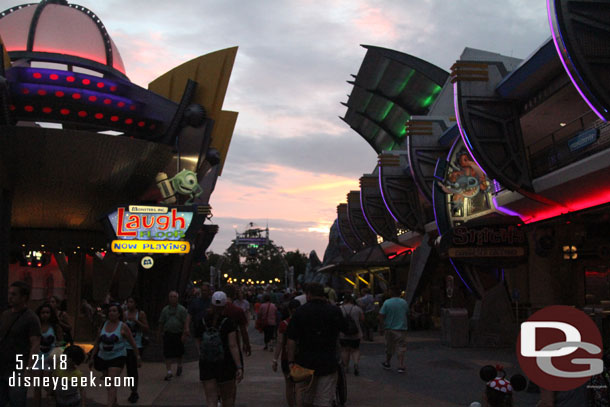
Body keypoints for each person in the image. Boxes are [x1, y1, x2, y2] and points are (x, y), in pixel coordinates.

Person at [286, 282, 347, 407]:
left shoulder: (300, 312)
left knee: (305, 398)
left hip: (305, 361)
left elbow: (291, 340)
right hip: (328, 361)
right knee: (324, 400)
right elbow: (345, 330)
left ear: (308, 295)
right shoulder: (334, 311)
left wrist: (290, 361)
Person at [194, 291, 243, 407]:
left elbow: (197, 339)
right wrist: (239, 366)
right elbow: (233, 345)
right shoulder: (228, 322)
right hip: (225, 363)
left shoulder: (202, 320)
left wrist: (201, 353)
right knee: (228, 398)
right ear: (225, 306)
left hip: (207, 363)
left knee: (211, 399)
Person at [89, 303, 140, 407]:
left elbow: (132, 342)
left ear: (119, 313)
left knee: (112, 381)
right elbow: (98, 341)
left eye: (114, 311)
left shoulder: (123, 326)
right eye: (110, 311)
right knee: (108, 382)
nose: (111, 313)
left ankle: (109, 404)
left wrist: (137, 356)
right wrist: (92, 357)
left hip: (118, 356)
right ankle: (114, 401)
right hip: (103, 356)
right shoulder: (103, 325)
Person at [0, 281, 41, 407]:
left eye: (14, 294)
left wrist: (28, 369)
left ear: (23, 297)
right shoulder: (5, 314)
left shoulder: (31, 318)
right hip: (2, 366)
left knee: (16, 401)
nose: (10, 297)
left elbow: (35, 345)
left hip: (18, 369)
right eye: (9, 294)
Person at [34, 302, 63, 407]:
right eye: (43, 312)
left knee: (47, 384)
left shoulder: (55, 327)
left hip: (50, 358)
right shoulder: (36, 326)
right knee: (37, 385)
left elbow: (61, 342)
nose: (45, 315)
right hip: (38, 357)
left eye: (47, 312)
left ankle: (53, 399)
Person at [272, 299, 301, 407]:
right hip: (301, 356)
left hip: (286, 357)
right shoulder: (303, 323)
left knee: (289, 385)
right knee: (299, 385)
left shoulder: (284, 324)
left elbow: (279, 342)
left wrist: (275, 359)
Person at [124, 296, 149, 403]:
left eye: (131, 302)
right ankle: (132, 390)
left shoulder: (141, 314)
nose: (129, 304)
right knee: (129, 369)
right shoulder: (125, 314)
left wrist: (136, 321)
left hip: (137, 344)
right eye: (128, 302)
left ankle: (134, 391)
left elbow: (146, 327)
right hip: (126, 345)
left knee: (133, 369)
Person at [158, 290, 188, 381]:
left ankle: (179, 365)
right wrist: (159, 333)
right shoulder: (165, 310)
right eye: (171, 297)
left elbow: (185, 322)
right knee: (167, 353)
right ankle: (169, 371)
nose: (172, 299)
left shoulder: (182, 310)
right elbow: (161, 322)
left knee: (179, 352)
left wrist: (184, 333)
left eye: (174, 297)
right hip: (168, 333)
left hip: (178, 333)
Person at [379, 286, 408, 373]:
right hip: (402, 327)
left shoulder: (387, 302)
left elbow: (381, 315)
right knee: (401, 347)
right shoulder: (404, 302)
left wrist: (381, 327)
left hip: (389, 327)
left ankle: (387, 362)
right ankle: (400, 365)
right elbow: (407, 313)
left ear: (391, 293)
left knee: (389, 346)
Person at [339, 294, 364, 376]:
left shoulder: (340, 308)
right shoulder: (357, 308)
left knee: (345, 350)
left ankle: (346, 366)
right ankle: (356, 364)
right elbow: (362, 319)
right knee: (355, 350)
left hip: (343, 333)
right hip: (356, 333)